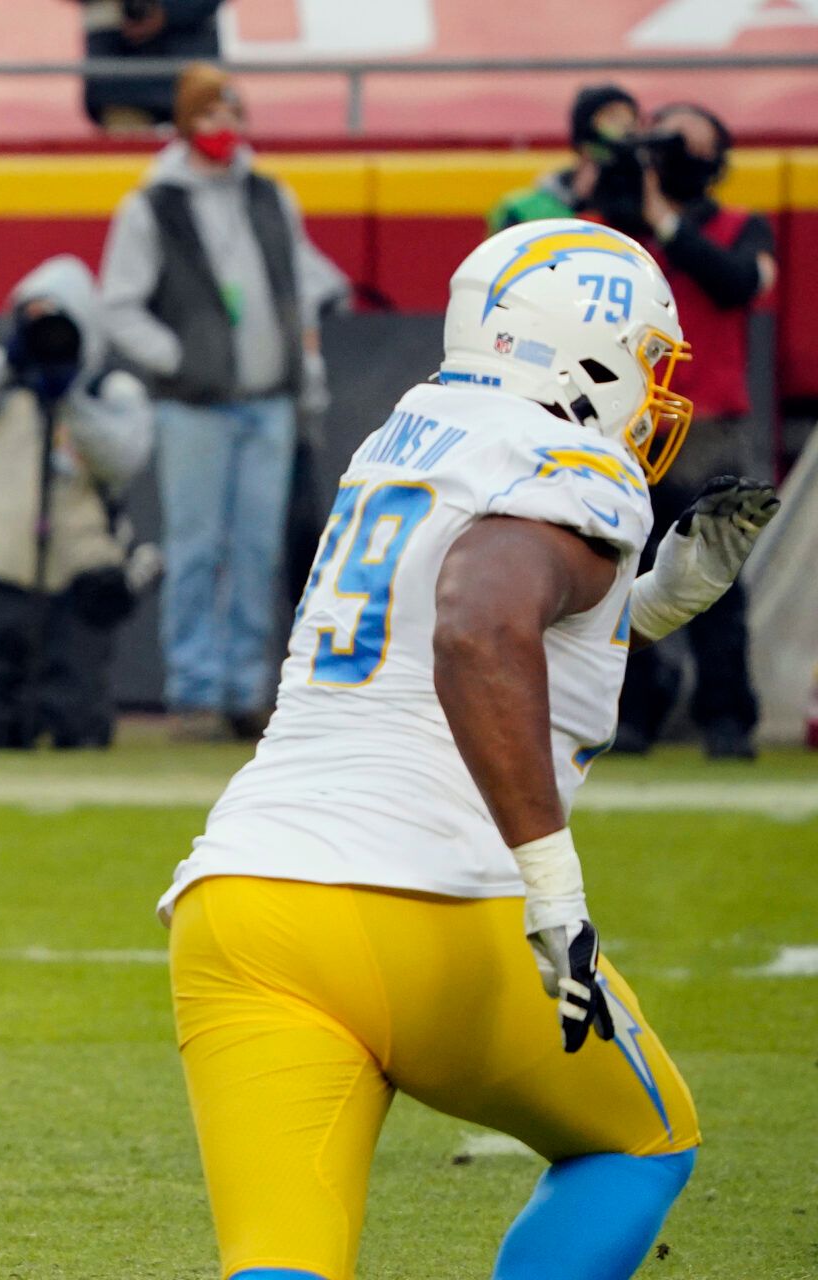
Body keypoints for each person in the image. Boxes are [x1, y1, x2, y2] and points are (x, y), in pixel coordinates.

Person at [157, 219, 779, 1280]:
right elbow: (479, 626)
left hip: (244, 900)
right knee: (642, 1141)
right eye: (646, 360)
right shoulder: (574, 458)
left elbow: (499, 627)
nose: (656, 391)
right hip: (432, 897)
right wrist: (554, 887)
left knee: (283, 1259)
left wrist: (658, 602)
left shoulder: (408, 432)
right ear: (586, 357)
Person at [99, 62, 339, 741]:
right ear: (185, 123)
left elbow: (300, 288)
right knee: (197, 550)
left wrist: (305, 373)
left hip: (270, 401)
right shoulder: (153, 205)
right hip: (194, 407)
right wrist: (179, 358)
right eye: (209, 115)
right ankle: (195, 689)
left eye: (232, 114)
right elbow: (119, 306)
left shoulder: (269, 195)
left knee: (258, 551)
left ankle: (245, 689)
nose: (223, 127)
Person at [0, 255, 152, 749]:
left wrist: (72, 400)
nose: (47, 334)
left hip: (75, 584)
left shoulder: (110, 389)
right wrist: (4, 364)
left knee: (79, 731)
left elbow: (124, 460)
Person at [611, 103, 778, 759]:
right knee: (620, 573)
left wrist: (667, 223)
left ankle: (725, 713)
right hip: (628, 425)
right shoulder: (617, 227)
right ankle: (630, 710)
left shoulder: (740, 225)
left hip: (708, 424)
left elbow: (738, 283)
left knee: (716, 577)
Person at [489, 84, 640, 232]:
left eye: (631, 119)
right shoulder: (522, 210)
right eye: (613, 117)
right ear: (585, 135)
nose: (626, 128)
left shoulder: (642, 204)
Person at [78, 0, 225, 131]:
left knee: (204, 138)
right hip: (120, 85)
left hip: (191, 77)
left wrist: (169, 10)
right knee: (127, 146)